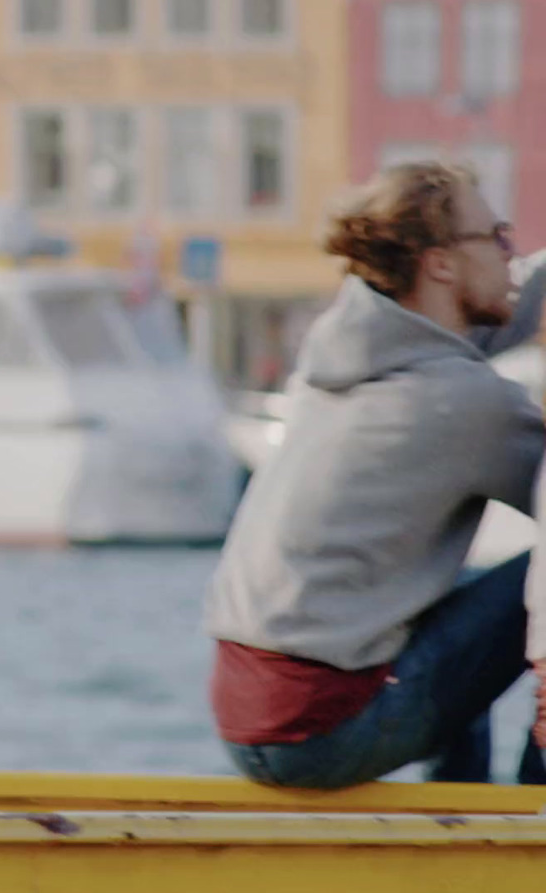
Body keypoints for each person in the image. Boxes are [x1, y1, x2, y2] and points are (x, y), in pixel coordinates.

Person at [204, 161, 546, 789]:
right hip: (322, 734)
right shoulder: (462, 402)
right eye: (496, 238)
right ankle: (535, 809)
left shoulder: (345, 358)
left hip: (248, 724)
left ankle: (462, 814)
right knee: (531, 585)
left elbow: (506, 308)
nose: (511, 256)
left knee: (461, 598)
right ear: (441, 263)